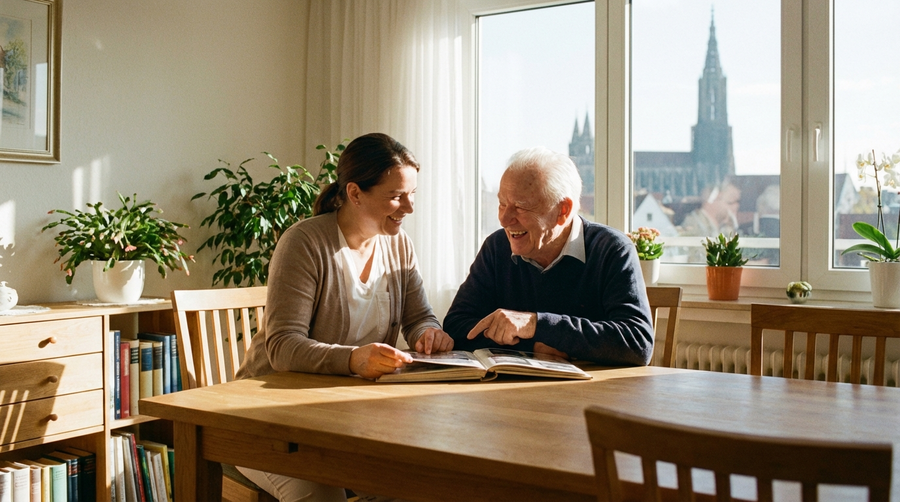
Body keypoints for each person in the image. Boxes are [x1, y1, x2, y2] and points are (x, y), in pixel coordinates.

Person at [234, 132, 454, 502]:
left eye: (413, 194)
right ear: (355, 193)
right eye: (397, 196)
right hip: (267, 419)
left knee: (419, 480)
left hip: (341, 417)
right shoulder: (305, 243)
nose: (409, 208)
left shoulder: (399, 244)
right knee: (323, 493)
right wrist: (353, 359)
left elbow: (420, 317)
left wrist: (429, 333)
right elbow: (283, 347)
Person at [443, 147, 654, 365]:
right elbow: (457, 326)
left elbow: (637, 343)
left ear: (563, 210)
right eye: (502, 204)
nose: (504, 220)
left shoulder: (612, 249)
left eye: (520, 207)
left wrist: (536, 324)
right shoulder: (497, 247)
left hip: (596, 394)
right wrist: (532, 344)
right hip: (512, 393)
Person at [679, 180, 741, 262]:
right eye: (731, 202)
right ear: (714, 200)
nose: (736, 207)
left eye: (738, 202)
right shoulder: (694, 225)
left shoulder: (724, 227)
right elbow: (699, 260)